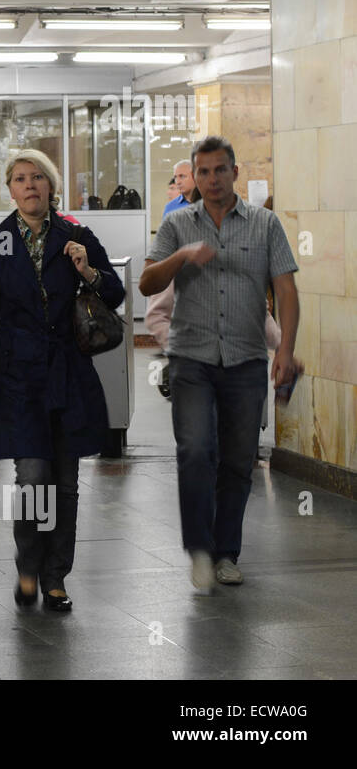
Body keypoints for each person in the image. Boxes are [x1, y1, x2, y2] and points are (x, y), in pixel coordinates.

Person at [139, 136, 301, 593]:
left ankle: (226, 552)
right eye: (203, 171)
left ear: (235, 172)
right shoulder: (177, 224)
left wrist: (284, 349)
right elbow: (147, 282)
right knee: (194, 451)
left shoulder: (266, 225)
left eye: (220, 170)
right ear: (195, 175)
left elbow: (286, 291)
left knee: (236, 460)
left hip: (246, 360)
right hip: (192, 359)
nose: (212, 180)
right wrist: (182, 256)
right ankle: (199, 550)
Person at [0, 149, 124, 612]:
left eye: (38, 177)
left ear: (51, 186)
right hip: (17, 376)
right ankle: (28, 567)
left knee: (67, 481)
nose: (30, 185)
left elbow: (113, 291)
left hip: (68, 374)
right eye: (20, 178)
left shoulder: (77, 235)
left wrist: (87, 269)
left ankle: (56, 576)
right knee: (34, 477)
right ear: (10, 190)